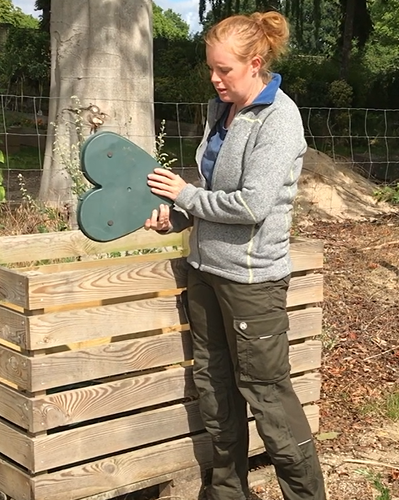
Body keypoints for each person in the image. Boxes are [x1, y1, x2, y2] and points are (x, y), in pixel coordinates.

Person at [144, 10, 326, 500]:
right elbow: (208, 193)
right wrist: (176, 215)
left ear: (255, 63)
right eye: (212, 67)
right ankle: (227, 493)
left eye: (224, 69)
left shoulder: (280, 118)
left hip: (252, 283)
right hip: (204, 270)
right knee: (214, 389)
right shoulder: (218, 111)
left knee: (268, 398)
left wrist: (184, 196)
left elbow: (251, 205)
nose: (214, 77)